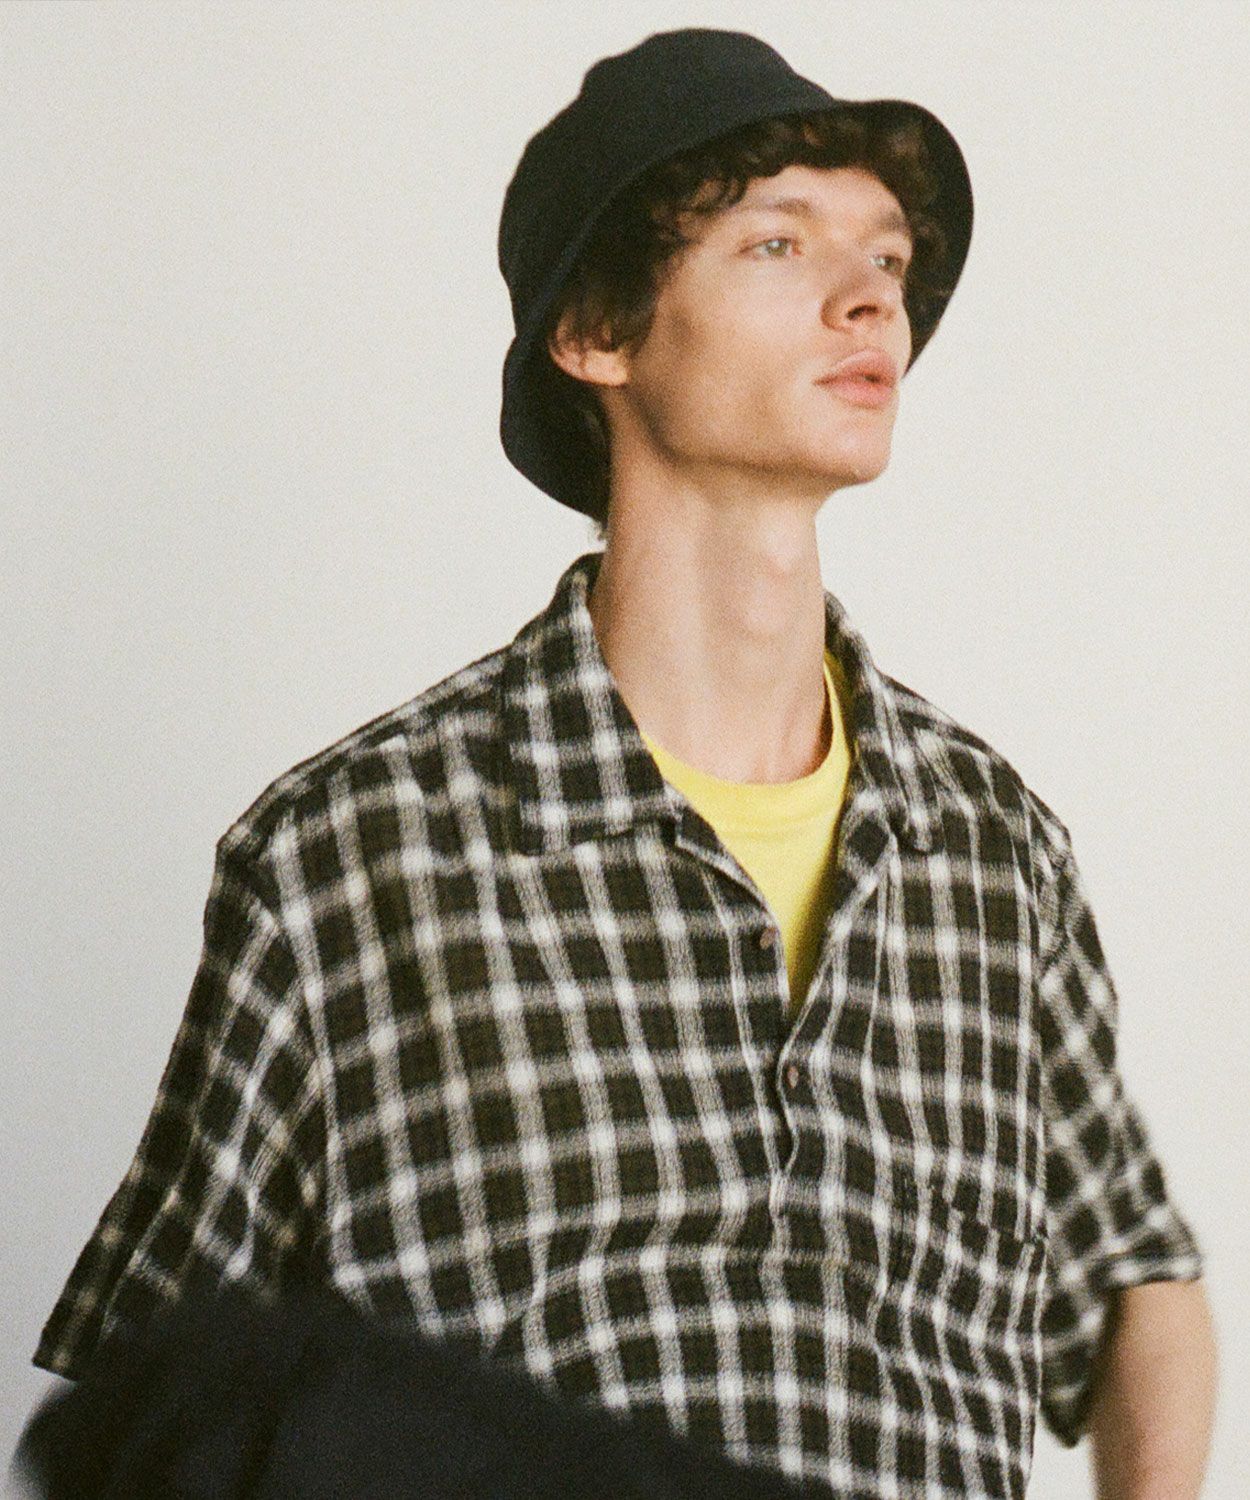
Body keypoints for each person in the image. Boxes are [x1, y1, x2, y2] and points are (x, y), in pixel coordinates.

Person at [31, 26, 1216, 1499]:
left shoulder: (992, 851)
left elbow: (1133, 1281)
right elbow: (152, 1399)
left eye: (887, 258)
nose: (870, 297)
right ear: (597, 330)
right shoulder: (353, 855)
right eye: (778, 243)